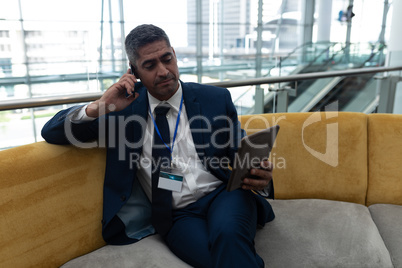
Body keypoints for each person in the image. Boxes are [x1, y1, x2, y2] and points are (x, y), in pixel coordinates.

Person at [42, 24, 275, 268]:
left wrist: (259, 172)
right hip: (176, 215)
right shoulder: (122, 111)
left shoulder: (214, 99)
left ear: (174, 54)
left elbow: (238, 149)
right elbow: (52, 131)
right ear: (134, 72)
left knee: (228, 236)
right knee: (217, 257)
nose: (163, 71)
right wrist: (100, 106)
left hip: (223, 195)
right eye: (150, 65)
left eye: (167, 59)